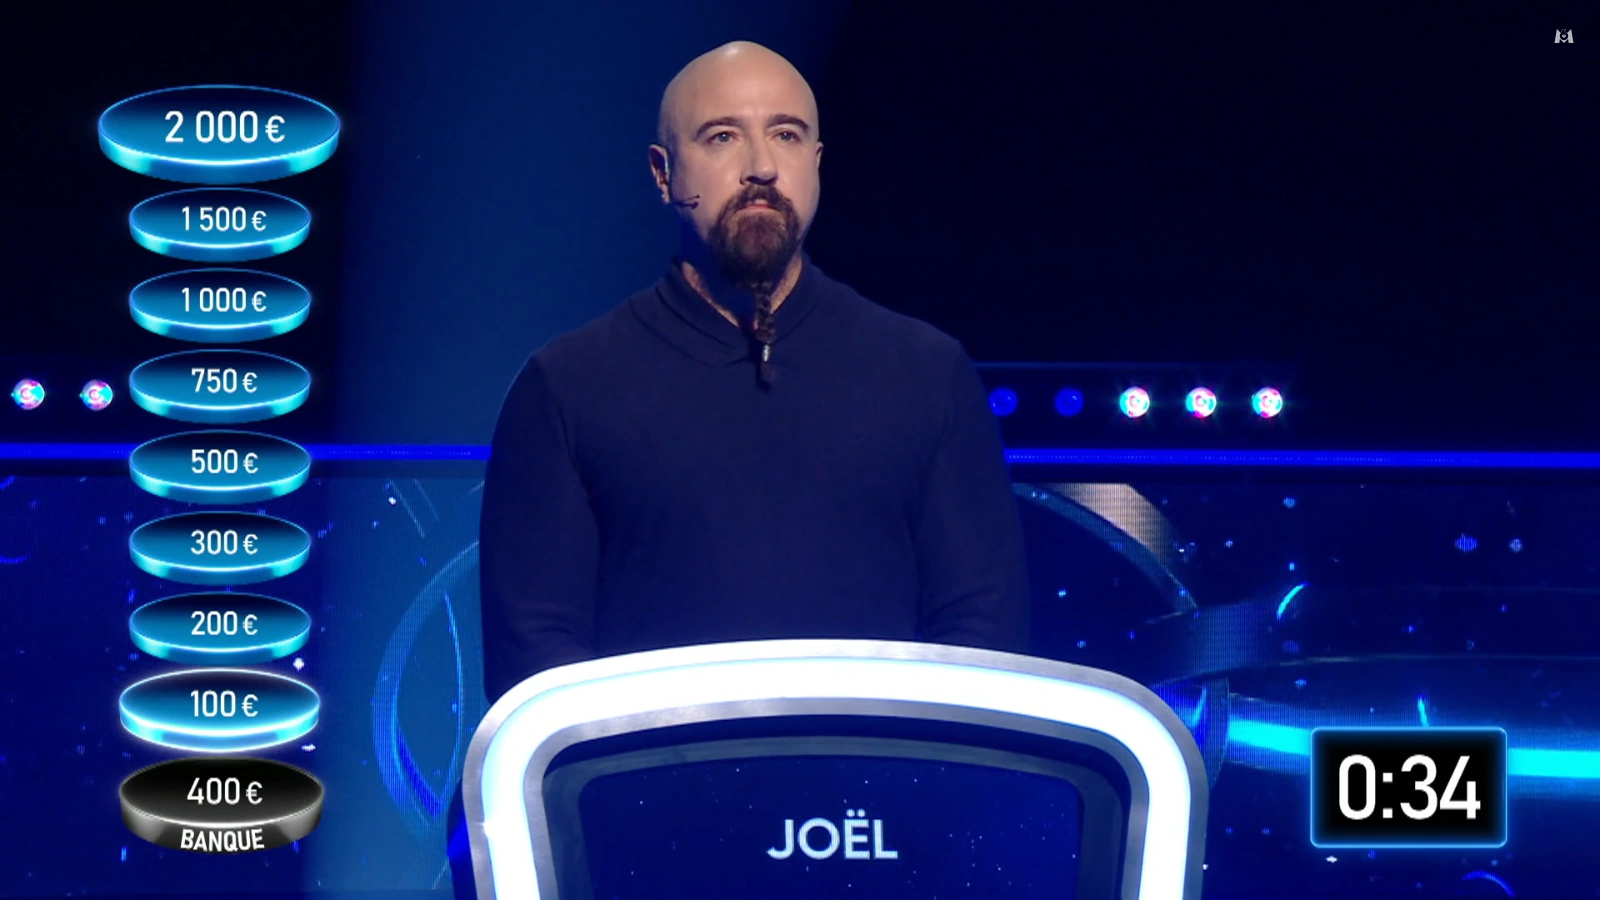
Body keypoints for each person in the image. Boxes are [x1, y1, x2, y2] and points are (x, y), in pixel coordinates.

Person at [477, 40, 1030, 703]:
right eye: (722, 137)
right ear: (663, 174)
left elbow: (984, 636)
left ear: (816, 163)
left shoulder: (926, 373)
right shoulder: (567, 386)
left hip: (874, 768)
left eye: (786, 135)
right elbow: (536, 662)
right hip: (654, 768)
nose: (762, 167)